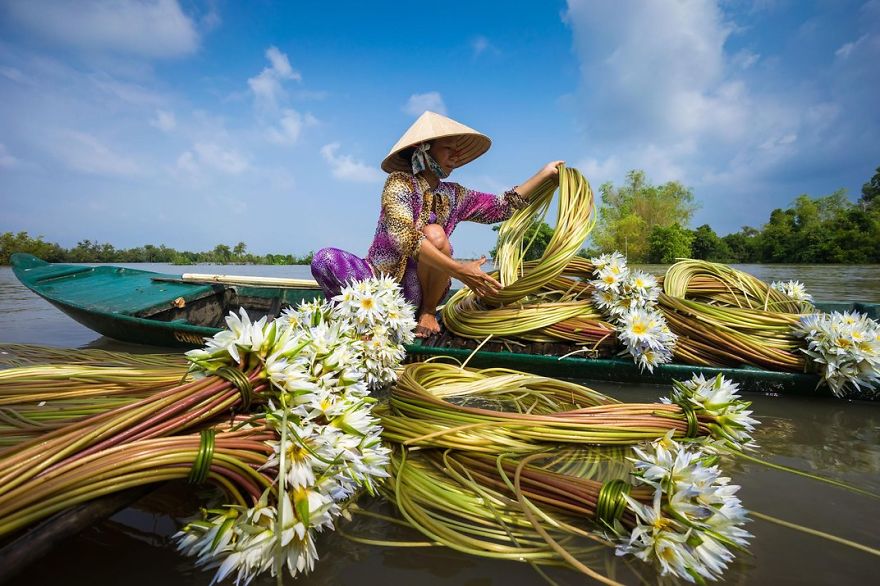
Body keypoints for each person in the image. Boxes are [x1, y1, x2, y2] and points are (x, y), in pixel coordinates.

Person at [311, 110, 562, 337]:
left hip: (416, 294)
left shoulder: (455, 195)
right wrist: (459, 269)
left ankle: (428, 314)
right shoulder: (399, 183)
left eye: (457, 151)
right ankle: (354, 320)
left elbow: (500, 207)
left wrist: (545, 174)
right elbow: (402, 236)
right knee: (324, 259)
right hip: (377, 283)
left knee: (435, 233)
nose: (455, 156)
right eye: (447, 149)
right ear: (423, 149)